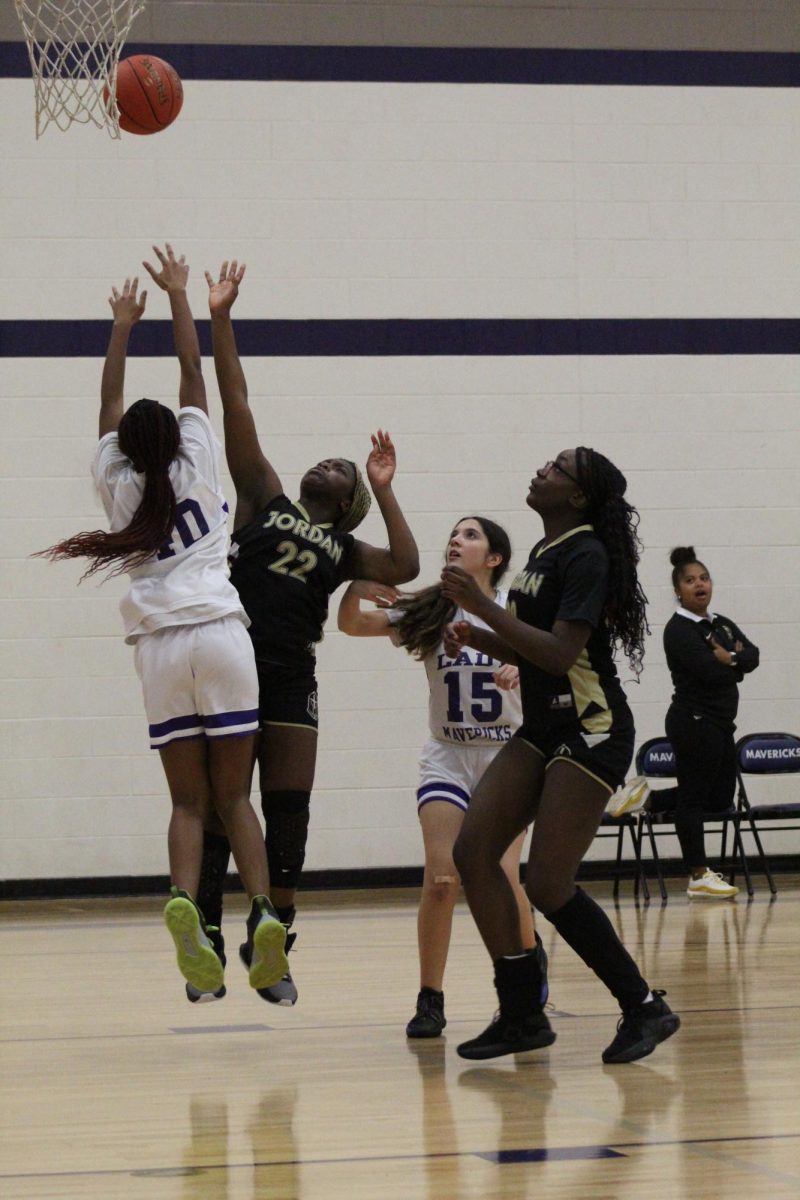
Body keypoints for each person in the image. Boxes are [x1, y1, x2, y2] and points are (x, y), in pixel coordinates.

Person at [38, 245, 288, 998]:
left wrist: (117, 328)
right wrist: (184, 299)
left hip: (158, 649)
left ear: (126, 452)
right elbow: (192, 373)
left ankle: (184, 900)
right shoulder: (200, 461)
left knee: (186, 802)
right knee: (236, 798)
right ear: (178, 441)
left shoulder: (117, 486)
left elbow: (108, 410)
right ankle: (265, 913)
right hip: (219, 632)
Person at [187, 258, 420, 1006]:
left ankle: (275, 946)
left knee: (289, 812)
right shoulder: (264, 494)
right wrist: (220, 317)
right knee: (227, 806)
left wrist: (386, 491)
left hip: (293, 673)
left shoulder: (349, 548)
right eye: (335, 462)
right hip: (233, 659)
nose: (333, 464)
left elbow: (408, 563)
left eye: (346, 472)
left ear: (347, 504)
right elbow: (236, 402)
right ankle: (210, 943)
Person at [440, 448, 680, 1064]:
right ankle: (521, 1012)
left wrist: (480, 607)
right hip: (545, 727)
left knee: (547, 883)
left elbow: (559, 654)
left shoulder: (587, 554)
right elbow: (536, 649)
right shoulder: (543, 554)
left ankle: (643, 1007)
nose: (542, 468)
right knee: (471, 852)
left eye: (557, 468)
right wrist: (482, 637)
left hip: (591, 727)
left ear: (576, 496)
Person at [337, 517, 548, 1039]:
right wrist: (353, 587)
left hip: (508, 755)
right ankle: (430, 997)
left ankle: (521, 986)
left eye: (470, 535)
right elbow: (353, 625)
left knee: (501, 874)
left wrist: (525, 670)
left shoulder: (517, 612)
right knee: (442, 879)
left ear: (494, 558)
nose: (456, 540)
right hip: (448, 754)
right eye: (453, 533)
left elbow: (562, 663)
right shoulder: (431, 606)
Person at [610, 546, 759, 900]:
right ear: (679, 590)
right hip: (694, 721)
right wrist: (729, 665)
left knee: (719, 796)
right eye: (690, 581)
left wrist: (732, 658)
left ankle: (649, 798)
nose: (699, 585)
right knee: (694, 798)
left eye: (704, 578)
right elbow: (710, 673)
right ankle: (698, 875)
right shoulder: (678, 630)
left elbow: (752, 656)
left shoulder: (719, 623)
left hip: (721, 724)